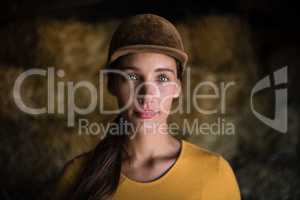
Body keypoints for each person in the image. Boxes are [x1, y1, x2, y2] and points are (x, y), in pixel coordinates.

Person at [52, 13, 241, 200]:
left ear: (178, 87)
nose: (147, 95)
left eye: (162, 78)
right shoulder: (76, 177)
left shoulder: (215, 174)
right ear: (112, 84)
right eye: (132, 77)